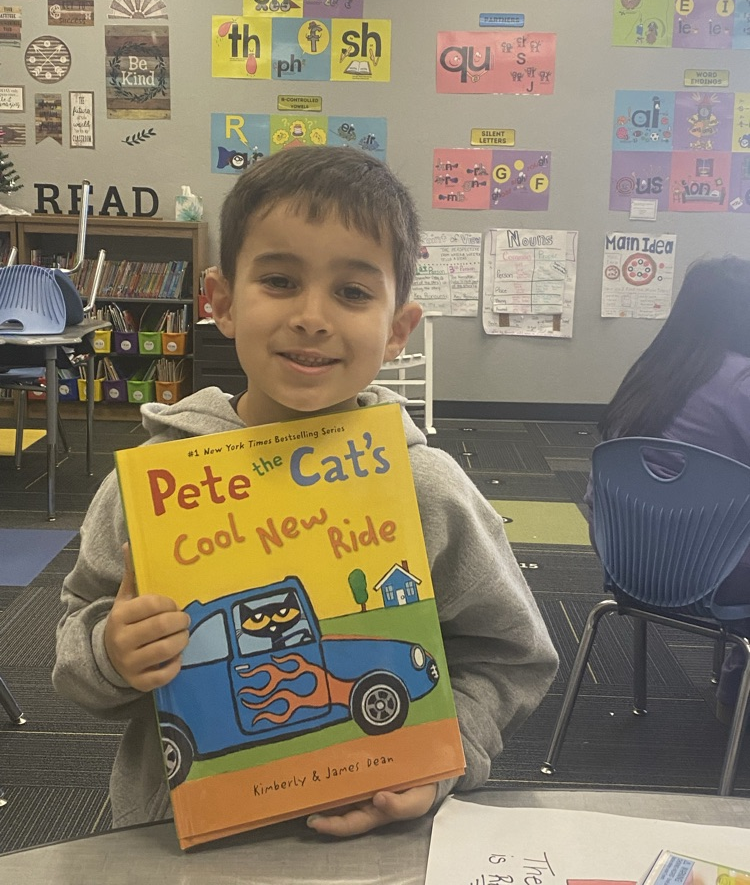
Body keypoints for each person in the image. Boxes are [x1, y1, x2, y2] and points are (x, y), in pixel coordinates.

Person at [53, 145, 558, 839]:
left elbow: (510, 656)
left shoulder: (426, 486)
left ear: (397, 331)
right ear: (221, 303)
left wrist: (449, 753)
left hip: (377, 837)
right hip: (177, 837)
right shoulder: (154, 482)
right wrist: (112, 653)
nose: (313, 316)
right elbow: (76, 637)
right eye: (280, 280)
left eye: (353, 292)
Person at [587, 255, 750, 721]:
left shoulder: (652, 372)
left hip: (628, 563)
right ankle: (735, 693)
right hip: (712, 577)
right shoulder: (742, 382)